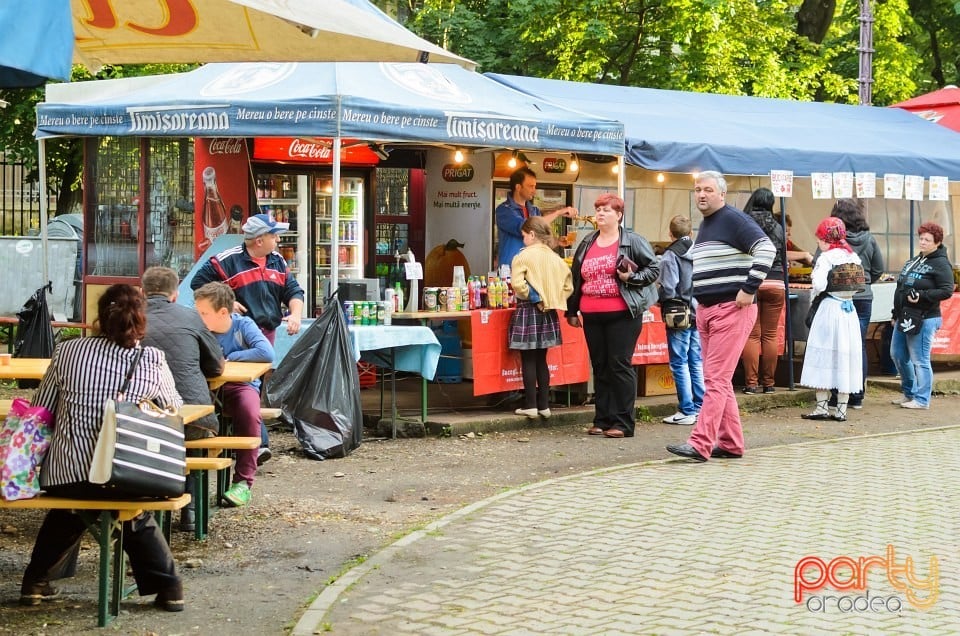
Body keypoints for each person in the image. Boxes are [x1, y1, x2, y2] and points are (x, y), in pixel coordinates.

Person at [21, 284, 184, 611]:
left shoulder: (68, 351)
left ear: (99, 316)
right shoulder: (151, 359)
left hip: (68, 475)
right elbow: (173, 408)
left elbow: (43, 407)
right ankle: (169, 587)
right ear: (141, 319)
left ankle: (35, 583)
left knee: (74, 506)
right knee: (129, 508)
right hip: (128, 473)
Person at [666, 171, 775, 462]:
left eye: (708, 190)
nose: (701, 194)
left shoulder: (734, 219)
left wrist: (749, 288)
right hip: (707, 311)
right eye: (698, 189)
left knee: (714, 378)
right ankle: (730, 443)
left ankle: (701, 443)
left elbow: (766, 249)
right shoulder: (707, 224)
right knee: (719, 380)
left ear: (722, 194)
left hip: (731, 309)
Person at [191, 212, 304, 462]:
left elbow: (293, 290)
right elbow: (199, 284)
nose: (277, 240)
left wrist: (295, 313)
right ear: (259, 239)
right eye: (274, 235)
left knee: (255, 385)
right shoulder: (227, 260)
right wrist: (227, 303)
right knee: (243, 386)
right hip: (237, 332)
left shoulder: (277, 261)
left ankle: (249, 439)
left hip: (266, 331)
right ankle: (256, 442)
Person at [566, 193, 659, 438]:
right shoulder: (587, 242)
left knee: (619, 364)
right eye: (598, 209)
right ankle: (603, 419)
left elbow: (654, 269)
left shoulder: (632, 240)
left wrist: (633, 278)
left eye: (606, 210)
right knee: (600, 366)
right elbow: (576, 278)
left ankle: (623, 422)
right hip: (591, 313)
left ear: (619, 215)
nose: (600, 213)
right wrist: (572, 310)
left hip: (623, 312)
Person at [141, 265, 225, 532]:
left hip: (135, 416)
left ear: (142, 292)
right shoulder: (191, 318)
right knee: (192, 440)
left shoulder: (126, 318)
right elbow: (216, 367)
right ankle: (190, 513)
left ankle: (145, 506)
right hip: (193, 418)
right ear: (175, 294)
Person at [193, 282, 275, 507]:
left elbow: (266, 352)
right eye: (197, 312)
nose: (198, 317)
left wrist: (231, 358)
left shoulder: (242, 325)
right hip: (204, 388)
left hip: (238, 386)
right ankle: (186, 485)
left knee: (250, 411)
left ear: (222, 313)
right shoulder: (198, 329)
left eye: (203, 313)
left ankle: (243, 482)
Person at [799, 218, 865, 422]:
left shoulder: (826, 258)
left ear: (826, 239)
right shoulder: (853, 256)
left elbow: (818, 284)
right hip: (849, 311)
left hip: (829, 309)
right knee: (845, 356)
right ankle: (842, 409)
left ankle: (821, 406)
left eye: (819, 238)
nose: (818, 242)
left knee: (824, 354)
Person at [508, 216, 574, 419]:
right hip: (549, 312)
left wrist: (535, 297)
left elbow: (518, 285)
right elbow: (569, 287)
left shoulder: (522, 256)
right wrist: (552, 299)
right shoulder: (557, 258)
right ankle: (544, 406)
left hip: (528, 309)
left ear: (532, 234)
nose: (523, 240)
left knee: (528, 358)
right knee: (541, 359)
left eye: (524, 236)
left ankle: (530, 405)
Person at [824, 199, 885, 409]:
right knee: (858, 345)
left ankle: (836, 395)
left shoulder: (832, 240)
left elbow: (819, 266)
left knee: (837, 346)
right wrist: (865, 283)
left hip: (838, 298)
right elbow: (879, 268)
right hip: (864, 297)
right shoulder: (870, 239)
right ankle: (857, 396)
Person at [890, 222, 954, 409]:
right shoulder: (915, 260)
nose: (923, 242)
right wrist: (895, 314)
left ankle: (922, 399)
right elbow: (901, 287)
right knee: (898, 355)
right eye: (921, 238)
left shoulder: (941, 263)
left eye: (928, 240)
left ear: (937, 242)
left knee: (920, 359)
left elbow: (947, 290)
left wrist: (923, 296)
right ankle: (909, 393)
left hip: (926, 317)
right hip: (905, 316)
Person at [657, 215, 705, 425]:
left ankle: (686, 410)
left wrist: (660, 298)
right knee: (696, 361)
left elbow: (669, 286)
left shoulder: (669, 255)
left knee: (679, 362)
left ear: (670, 233)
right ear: (691, 233)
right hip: (698, 310)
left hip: (678, 313)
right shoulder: (700, 251)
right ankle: (700, 406)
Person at [740, 187, 786, 395]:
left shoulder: (744, 223)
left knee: (751, 334)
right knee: (770, 335)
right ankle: (769, 383)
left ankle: (750, 383)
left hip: (751, 281)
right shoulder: (778, 226)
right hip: (776, 281)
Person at [495, 167, 576, 268]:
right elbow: (528, 227)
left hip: (533, 270)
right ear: (518, 187)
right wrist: (558, 212)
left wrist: (557, 241)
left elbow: (541, 242)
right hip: (511, 270)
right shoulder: (504, 210)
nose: (534, 191)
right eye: (530, 186)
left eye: (535, 187)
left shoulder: (534, 210)